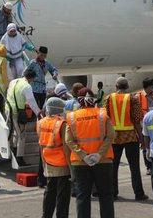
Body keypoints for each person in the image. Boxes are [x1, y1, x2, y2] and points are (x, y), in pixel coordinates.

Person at [65, 88, 115, 218]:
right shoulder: (102, 114)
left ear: (78, 101)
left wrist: (84, 156)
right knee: (106, 195)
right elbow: (110, 136)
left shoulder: (71, 117)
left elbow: (69, 141)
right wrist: (99, 154)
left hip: (80, 163)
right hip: (104, 161)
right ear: (93, 100)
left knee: (82, 196)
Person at [103, 77, 148, 201]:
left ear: (116, 87)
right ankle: (138, 193)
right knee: (134, 167)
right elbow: (137, 119)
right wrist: (141, 138)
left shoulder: (108, 98)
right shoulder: (132, 98)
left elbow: (105, 118)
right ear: (127, 87)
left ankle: (113, 192)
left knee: (113, 167)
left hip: (114, 138)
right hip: (130, 137)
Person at [39, 97, 72, 218]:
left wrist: (43, 164)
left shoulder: (41, 123)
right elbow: (66, 147)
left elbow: (41, 145)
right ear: (59, 109)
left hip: (48, 162)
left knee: (49, 192)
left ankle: (46, 215)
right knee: (63, 195)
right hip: (62, 164)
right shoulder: (61, 124)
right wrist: (71, 168)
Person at [6, 69, 41, 166]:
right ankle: (19, 158)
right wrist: (39, 113)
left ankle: (13, 151)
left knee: (14, 132)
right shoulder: (27, 86)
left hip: (8, 110)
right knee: (22, 135)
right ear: (32, 78)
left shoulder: (14, 81)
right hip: (17, 113)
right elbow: (32, 102)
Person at [137, 77, 153, 175]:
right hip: (143, 125)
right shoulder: (138, 96)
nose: (152, 88)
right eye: (151, 86)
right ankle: (149, 167)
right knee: (145, 147)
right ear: (146, 87)